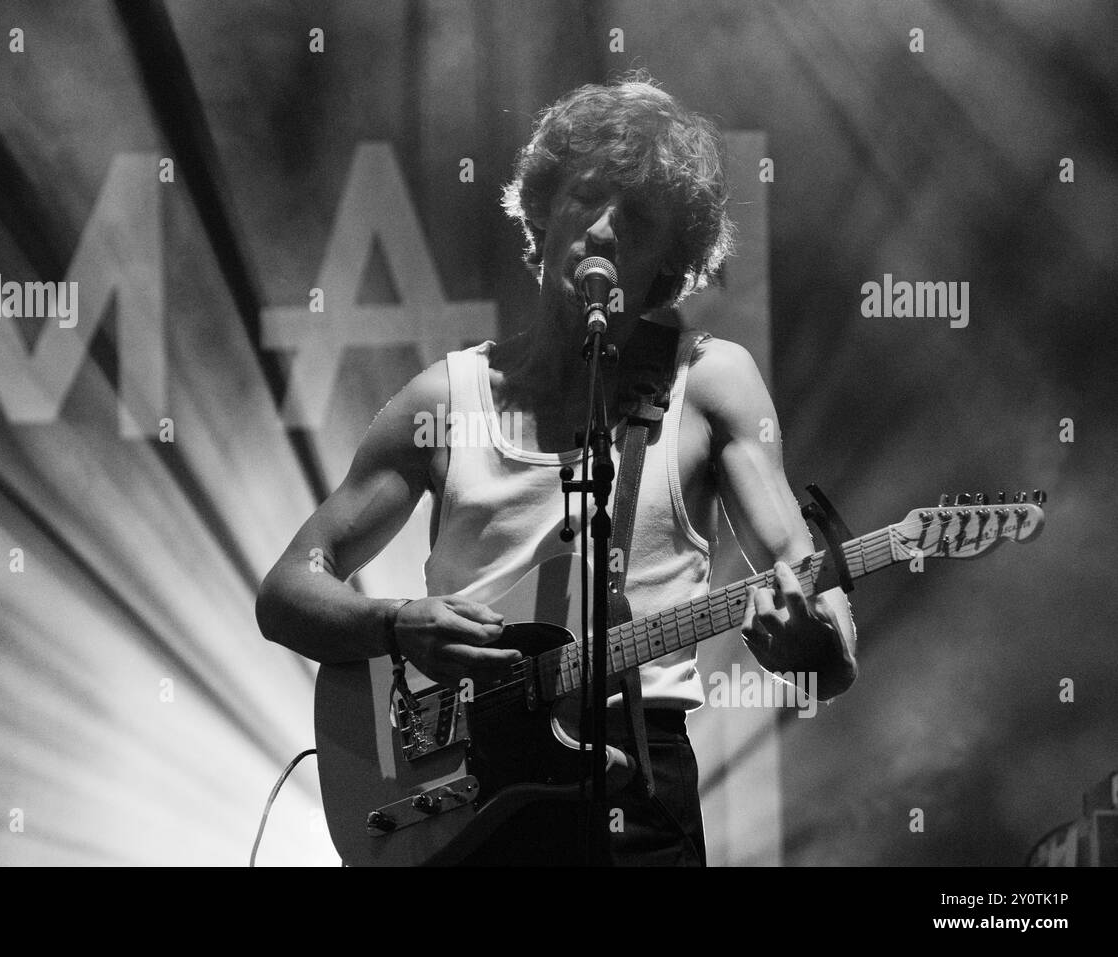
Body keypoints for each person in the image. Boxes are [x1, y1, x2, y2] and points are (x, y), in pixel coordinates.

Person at [256, 72, 858, 866]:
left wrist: (812, 644)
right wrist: (396, 623)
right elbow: (288, 590)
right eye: (585, 197)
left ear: (666, 268)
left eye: (637, 218)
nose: (604, 229)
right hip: (464, 793)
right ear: (543, 212)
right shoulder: (444, 399)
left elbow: (813, 591)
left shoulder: (711, 383)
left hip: (637, 782)